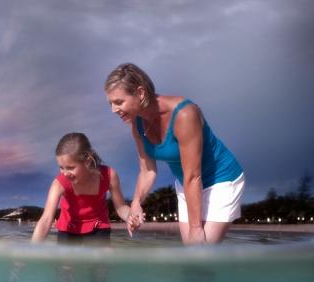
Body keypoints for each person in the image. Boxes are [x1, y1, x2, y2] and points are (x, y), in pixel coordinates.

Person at [104, 63, 245, 245]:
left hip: (221, 179)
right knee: (194, 256)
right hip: (187, 185)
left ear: (140, 93)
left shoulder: (185, 114)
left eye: (118, 102)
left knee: (200, 252)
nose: (113, 110)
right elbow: (147, 171)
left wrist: (195, 228)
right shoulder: (136, 126)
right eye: (111, 104)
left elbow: (193, 175)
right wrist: (136, 203)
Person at [31, 132, 136, 244]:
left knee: (100, 260)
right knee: (68, 262)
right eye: (61, 168)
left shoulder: (109, 175)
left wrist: (131, 216)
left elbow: (121, 207)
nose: (65, 173)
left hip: (98, 227)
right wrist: (30, 250)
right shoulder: (59, 183)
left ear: (88, 160)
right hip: (68, 229)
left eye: (70, 168)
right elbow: (46, 219)